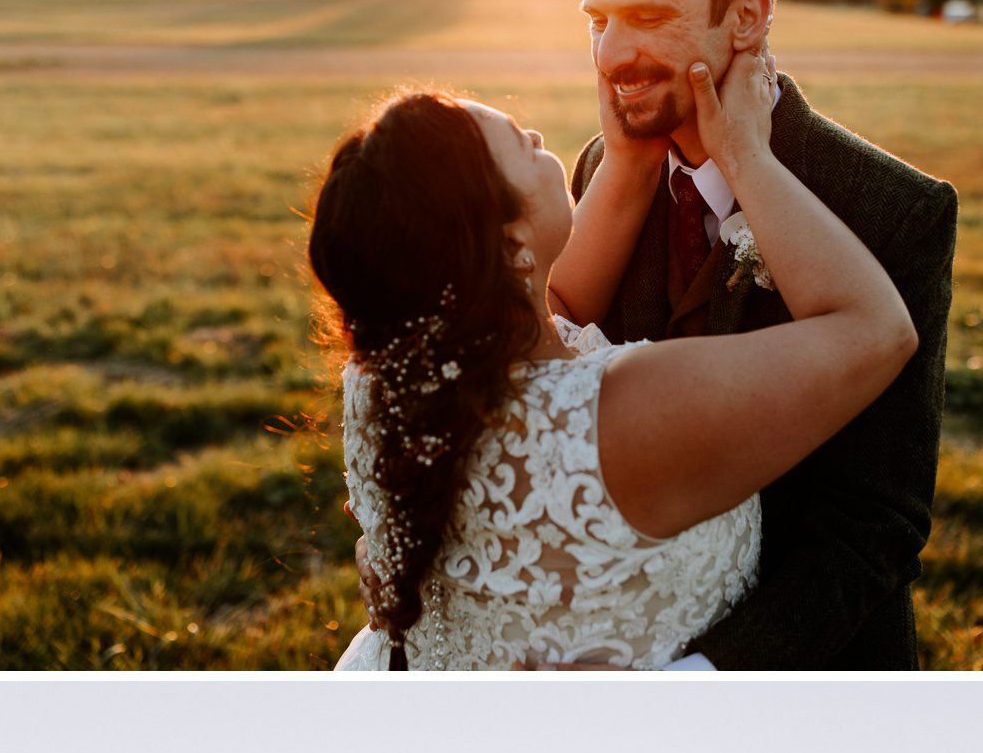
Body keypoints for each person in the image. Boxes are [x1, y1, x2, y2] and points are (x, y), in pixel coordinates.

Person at [308, 51, 916, 671]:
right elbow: (876, 331)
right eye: (520, 143)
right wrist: (745, 155)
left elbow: (561, 310)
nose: (538, 136)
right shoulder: (622, 409)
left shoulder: (389, 373)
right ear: (512, 245)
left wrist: (630, 159)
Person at [566, 0, 959, 669]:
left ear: (747, 17)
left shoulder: (894, 210)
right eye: (599, 20)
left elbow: (873, 525)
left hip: (812, 682)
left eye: (649, 17)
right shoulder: (600, 170)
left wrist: (706, 677)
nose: (613, 54)